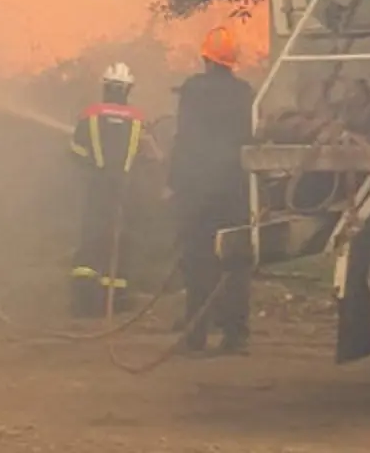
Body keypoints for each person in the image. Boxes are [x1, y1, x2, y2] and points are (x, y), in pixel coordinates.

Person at [168, 26, 255, 355]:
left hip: (198, 187)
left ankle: (195, 335)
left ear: (206, 58)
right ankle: (236, 335)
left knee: (197, 260)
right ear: (232, 62)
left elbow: (185, 138)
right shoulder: (245, 92)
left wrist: (173, 181)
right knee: (235, 261)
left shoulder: (193, 90)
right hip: (234, 188)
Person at [68, 62, 149, 319]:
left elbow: (75, 151)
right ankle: (117, 301)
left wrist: (93, 163)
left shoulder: (89, 114)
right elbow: (145, 156)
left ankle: (84, 302)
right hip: (126, 188)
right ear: (127, 89)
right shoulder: (138, 120)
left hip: (97, 185)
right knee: (121, 239)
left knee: (92, 238)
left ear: (106, 88)